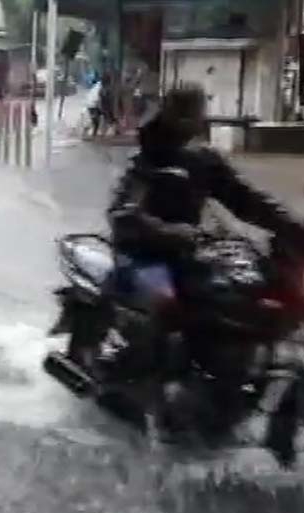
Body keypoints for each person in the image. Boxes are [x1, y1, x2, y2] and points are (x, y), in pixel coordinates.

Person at [107, 85, 304, 461]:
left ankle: (229, 384)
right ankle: (144, 397)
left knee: (238, 297)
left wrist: (292, 228)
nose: (189, 120)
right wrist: (165, 231)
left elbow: (248, 201)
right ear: (167, 112)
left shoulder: (204, 161)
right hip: (145, 255)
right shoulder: (147, 160)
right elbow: (123, 214)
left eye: (194, 112)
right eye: (182, 111)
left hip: (191, 255)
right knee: (167, 307)